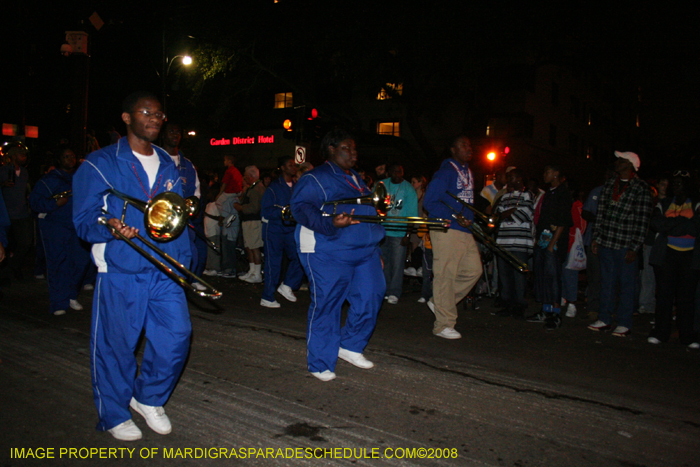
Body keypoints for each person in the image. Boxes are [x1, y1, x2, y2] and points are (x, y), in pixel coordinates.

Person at [73, 91, 193, 441]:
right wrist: (108, 227)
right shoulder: (99, 163)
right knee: (116, 345)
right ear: (127, 118)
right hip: (123, 268)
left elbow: (176, 218)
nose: (155, 119)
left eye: (159, 114)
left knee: (176, 337)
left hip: (164, 267)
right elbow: (83, 219)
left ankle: (148, 398)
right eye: (146, 112)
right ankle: (113, 413)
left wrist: (185, 265)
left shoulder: (169, 163)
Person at [290, 129, 385, 382]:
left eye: (354, 149)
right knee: (328, 303)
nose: (354, 153)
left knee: (372, 294)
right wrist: (330, 222)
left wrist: (376, 246)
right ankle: (320, 362)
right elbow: (300, 208)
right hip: (329, 250)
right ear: (331, 149)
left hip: (364, 252)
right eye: (347, 148)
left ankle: (351, 346)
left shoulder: (355, 177)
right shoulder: (316, 177)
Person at [422, 135, 483, 339]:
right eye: (463, 145)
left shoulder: (468, 173)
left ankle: (439, 302)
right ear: (453, 150)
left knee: (474, 271)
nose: (469, 148)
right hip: (446, 228)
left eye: (469, 144)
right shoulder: (446, 171)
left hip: (464, 230)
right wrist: (455, 216)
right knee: (445, 274)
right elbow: (429, 202)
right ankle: (443, 324)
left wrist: (470, 220)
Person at [588, 151, 652, 337]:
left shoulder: (640, 188)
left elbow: (642, 220)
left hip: (625, 243)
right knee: (606, 282)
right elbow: (600, 213)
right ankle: (605, 318)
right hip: (607, 240)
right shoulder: (610, 184)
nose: (617, 163)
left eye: (621, 160)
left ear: (630, 165)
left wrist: (635, 247)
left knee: (626, 284)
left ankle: (624, 321)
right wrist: (596, 237)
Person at [28, 145, 91, 316]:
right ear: (58, 160)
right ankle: (59, 302)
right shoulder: (49, 180)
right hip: (55, 226)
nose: (70, 160)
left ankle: (71, 295)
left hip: (76, 226)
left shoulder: (79, 177)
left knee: (81, 261)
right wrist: (54, 204)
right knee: (58, 264)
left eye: (72, 156)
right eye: (66, 157)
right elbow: (34, 202)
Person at [647, 172, 700, 348]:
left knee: (686, 298)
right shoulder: (664, 203)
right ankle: (661, 333)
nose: (676, 186)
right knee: (664, 296)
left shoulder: (696, 204)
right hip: (667, 255)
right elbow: (656, 223)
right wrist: (682, 224)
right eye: (674, 183)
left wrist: (672, 225)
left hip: (689, 257)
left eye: (680, 183)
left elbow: (695, 227)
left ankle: (688, 336)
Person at [161, 122, 207, 289]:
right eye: (171, 131)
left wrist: (189, 209)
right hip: (161, 221)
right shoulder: (155, 158)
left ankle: (186, 283)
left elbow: (196, 192)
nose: (174, 135)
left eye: (177, 132)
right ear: (163, 134)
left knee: (191, 254)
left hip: (183, 222)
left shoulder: (187, 164)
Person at [529, 165, 572, 330]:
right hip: (542, 240)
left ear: (556, 173)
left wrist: (552, 244)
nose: (544, 175)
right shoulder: (548, 193)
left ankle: (555, 313)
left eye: (547, 171)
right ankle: (545, 310)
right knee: (542, 277)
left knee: (553, 277)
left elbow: (563, 221)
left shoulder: (563, 193)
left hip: (553, 244)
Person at [260, 156, 304, 308]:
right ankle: (267, 296)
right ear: (283, 168)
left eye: (294, 165)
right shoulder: (274, 187)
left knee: (300, 256)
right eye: (290, 165)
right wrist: (284, 212)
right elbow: (266, 211)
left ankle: (287, 285)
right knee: (274, 263)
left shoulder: (296, 186)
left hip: (290, 229)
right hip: (274, 229)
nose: (294, 167)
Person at [493, 168, 534, 318]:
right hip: (504, 242)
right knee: (505, 275)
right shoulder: (504, 197)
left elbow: (523, 215)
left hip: (520, 243)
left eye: (511, 177)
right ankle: (507, 304)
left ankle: (520, 305)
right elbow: (497, 215)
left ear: (519, 179)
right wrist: (510, 212)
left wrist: (506, 214)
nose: (508, 180)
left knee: (518, 276)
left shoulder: (528, 195)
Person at [380, 163, 418, 304]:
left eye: (400, 171)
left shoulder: (408, 189)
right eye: (394, 171)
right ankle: (385, 289)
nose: (397, 174)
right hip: (382, 231)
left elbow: (412, 214)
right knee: (384, 263)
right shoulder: (382, 184)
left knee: (397, 264)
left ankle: (395, 292)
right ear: (389, 172)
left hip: (399, 232)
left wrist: (407, 235)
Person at [0, 141, 33, 281]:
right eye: (21, 155)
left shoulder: (24, 172)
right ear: (13, 156)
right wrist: (2, 185)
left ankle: (14, 265)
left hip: (21, 212)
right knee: (5, 243)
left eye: (25, 155)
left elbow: (27, 188)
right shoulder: (3, 170)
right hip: (6, 213)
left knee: (26, 241)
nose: (24, 157)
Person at [235, 166, 266, 283]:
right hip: (249, 221)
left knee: (254, 248)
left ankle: (256, 274)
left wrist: (240, 207)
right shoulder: (254, 187)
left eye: (246, 175)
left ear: (251, 176)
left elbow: (254, 207)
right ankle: (252, 272)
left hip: (253, 221)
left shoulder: (257, 188)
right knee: (249, 247)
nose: (244, 177)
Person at [216, 154, 243, 278]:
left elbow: (224, 185)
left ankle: (229, 269)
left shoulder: (230, 172)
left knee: (228, 245)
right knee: (229, 245)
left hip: (230, 222)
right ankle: (229, 268)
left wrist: (219, 195)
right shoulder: (237, 172)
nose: (224, 161)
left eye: (225, 159)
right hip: (232, 220)